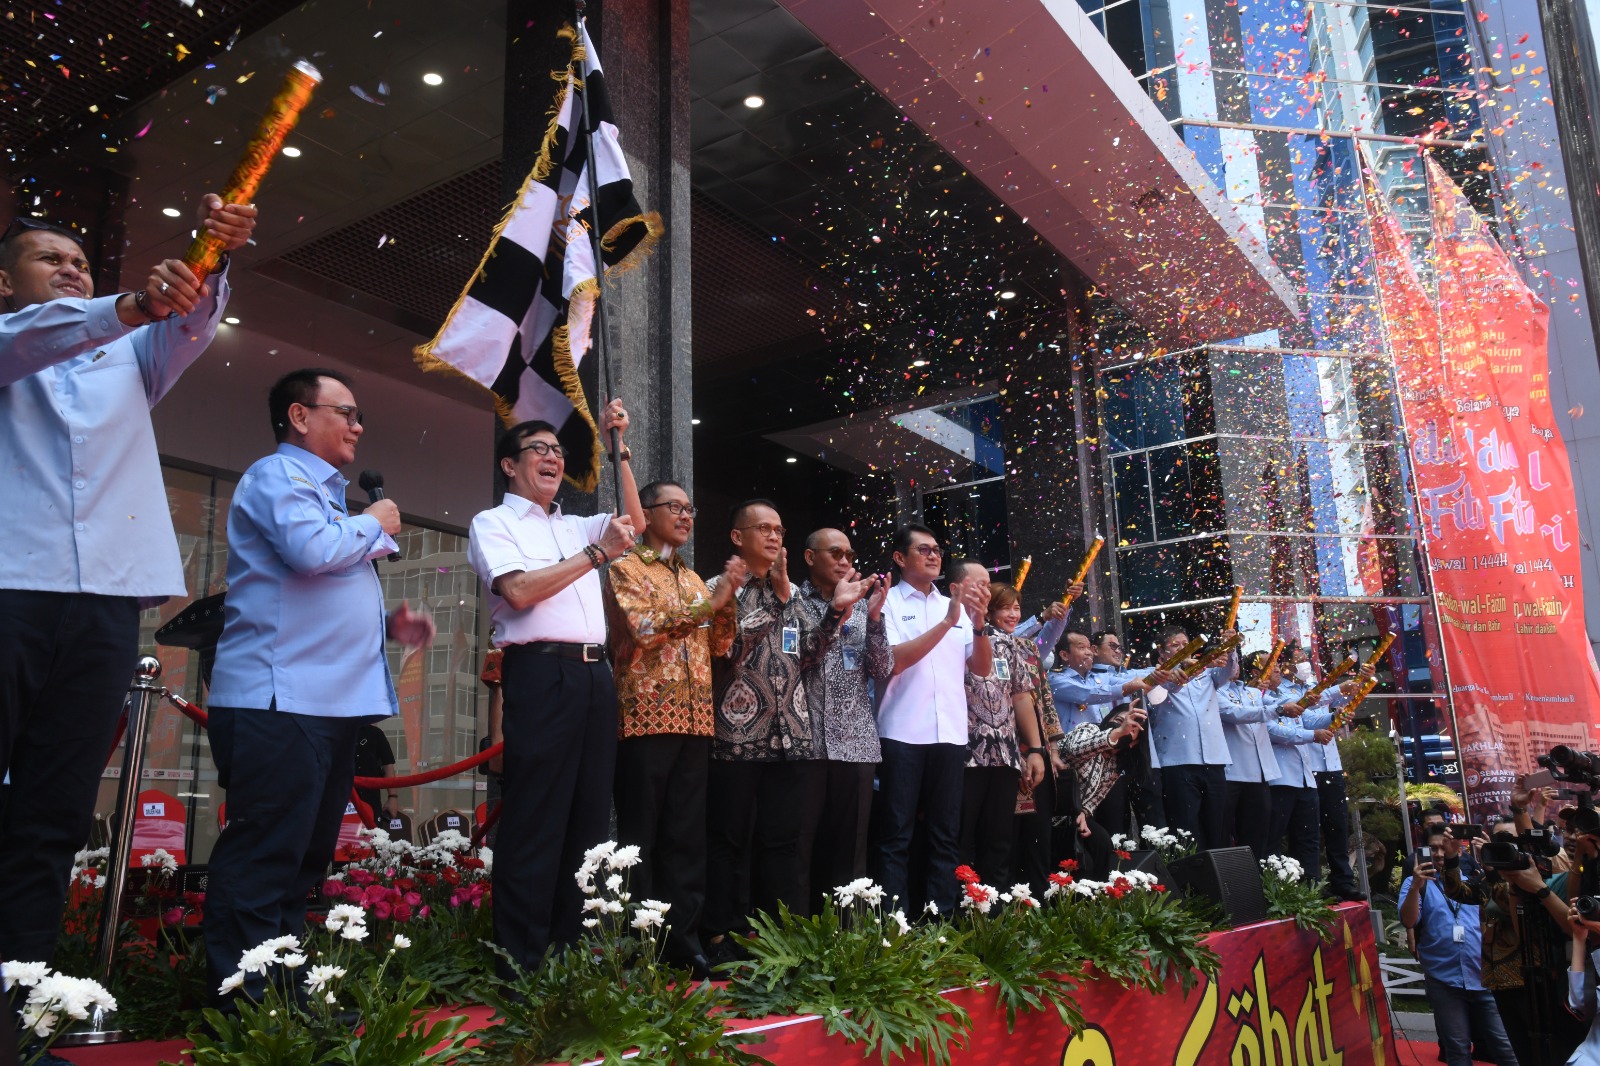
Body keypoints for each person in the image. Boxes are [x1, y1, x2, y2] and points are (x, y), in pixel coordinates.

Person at [0, 197, 255, 973]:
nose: (73, 268)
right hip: (10, 589)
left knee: (54, 810)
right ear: (5, 283)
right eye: (52, 259)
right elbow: (46, 336)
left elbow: (185, 324)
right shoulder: (13, 336)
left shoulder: (128, 354)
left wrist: (209, 253)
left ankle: (18, 1015)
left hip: (105, 601)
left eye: (80, 260)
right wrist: (133, 304)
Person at [205, 367, 436, 1002]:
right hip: (278, 701)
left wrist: (387, 623)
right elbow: (309, 553)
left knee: (303, 857)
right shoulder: (277, 475)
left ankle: (281, 991)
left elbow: (307, 596)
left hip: (325, 706)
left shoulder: (325, 496)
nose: (358, 426)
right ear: (300, 417)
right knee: (266, 852)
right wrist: (376, 521)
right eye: (347, 413)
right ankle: (243, 998)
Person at [466, 401, 642, 972]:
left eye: (558, 451)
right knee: (536, 815)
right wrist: (595, 555)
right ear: (508, 464)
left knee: (588, 818)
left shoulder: (570, 522)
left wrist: (619, 450)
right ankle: (518, 959)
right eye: (538, 449)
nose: (552, 457)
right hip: (541, 671)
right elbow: (518, 592)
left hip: (595, 675)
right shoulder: (493, 523)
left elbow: (634, 528)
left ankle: (568, 952)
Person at [703, 501, 870, 952]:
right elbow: (726, 652)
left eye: (779, 529)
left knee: (784, 842)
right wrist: (774, 604)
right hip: (737, 733)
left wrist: (835, 612)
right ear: (738, 537)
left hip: (791, 736)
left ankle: (779, 932)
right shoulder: (721, 588)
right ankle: (722, 930)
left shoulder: (794, 594)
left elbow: (810, 655)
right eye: (763, 528)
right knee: (729, 838)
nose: (775, 537)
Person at [603, 479, 740, 976]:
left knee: (687, 836)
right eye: (675, 507)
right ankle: (639, 944)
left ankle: (684, 943)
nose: (685, 516)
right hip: (644, 718)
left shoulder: (693, 579)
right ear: (650, 513)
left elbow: (719, 645)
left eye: (690, 509)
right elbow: (643, 627)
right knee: (642, 835)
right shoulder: (626, 568)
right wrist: (711, 602)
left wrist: (727, 601)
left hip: (696, 719)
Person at [876, 524, 991, 917]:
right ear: (899, 557)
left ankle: (941, 919)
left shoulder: (952, 604)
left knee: (945, 835)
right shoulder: (887, 602)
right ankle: (896, 922)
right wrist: (947, 623)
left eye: (938, 550)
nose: (933, 555)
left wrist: (976, 623)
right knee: (896, 834)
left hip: (951, 733)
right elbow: (893, 661)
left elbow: (980, 669)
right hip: (901, 730)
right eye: (923, 549)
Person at [795, 528, 891, 894]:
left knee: (851, 846)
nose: (845, 561)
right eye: (835, 553)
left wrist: (877, 619)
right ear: (809, 557)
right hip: (806, 742)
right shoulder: (793, 602)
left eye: (849, 555)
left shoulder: (865, 608)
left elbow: (882, 669)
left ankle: (848, 936)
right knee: (802, 842)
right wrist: (835, 613)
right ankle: (799, 934)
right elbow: (800, 661)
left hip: (856, 742)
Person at [1400, 826, 1519, 1066]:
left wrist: (1491, 867)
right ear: (1422, 851)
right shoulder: (1416, 884)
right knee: (1457, 1049)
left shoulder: (1471, 883)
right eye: (1433, 848)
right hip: (1444, 979)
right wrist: (1415, 886)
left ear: (1459, 850)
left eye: (1444, 848)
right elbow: (1409, 920)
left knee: (1505, 1046)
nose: (1439, 854)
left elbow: (1501, 910)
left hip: (1482, 975)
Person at [958, 572, 1047, 886]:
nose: (1014, 614)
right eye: (1006, 608)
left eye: (1017, 608)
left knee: (1000, 839)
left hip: (1006, 754)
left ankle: (996, 913)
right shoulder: (960, 634)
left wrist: (1034, 750)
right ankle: (958, 910)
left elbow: (1022, 696)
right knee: (960, 837)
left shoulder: (1013, 645)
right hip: (965, 753)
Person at [1279, 646, 1363, 899]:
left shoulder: (1315, 684)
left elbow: (1344, 702)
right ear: (1286, 666)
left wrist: (1357, 686)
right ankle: (1310, 883)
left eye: (1305, 659)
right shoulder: (1282, 692)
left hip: (1332, 766)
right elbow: (1304, 720)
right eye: (1298, 660)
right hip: (1307, 768)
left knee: (1337, 825)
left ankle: (1343, 881)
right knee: (1309, 830)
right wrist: (1331, 710)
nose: (1304, 664)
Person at [1145, 626, 1237, 852]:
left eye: (1186, 644)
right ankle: (1190, 883)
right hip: (1178, 761)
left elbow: (1228, 671)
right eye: (1175, 645)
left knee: (1217, 824)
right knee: (1186, 828)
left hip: (1214, 760)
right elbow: (1161, 695)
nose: (1183, 648)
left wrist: (1231, 647)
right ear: (1162, 654)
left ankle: (1218, 879)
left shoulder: (1208, 674)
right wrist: (1183, 671)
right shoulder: (1157, 675)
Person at [1259, 653, 1336, 875]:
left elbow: (1307, 720)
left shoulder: (1285, 695)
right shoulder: (1257, 698)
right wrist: (1312, 736)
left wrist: (1333, 716)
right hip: (1279, 780)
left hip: (1305, 779)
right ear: (1256, 672)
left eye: (1276, 665)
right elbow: (1274, 732)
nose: (1276, 669)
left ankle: (1310, 892)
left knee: (1309, 839)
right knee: (1274, 840)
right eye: (1269, 665)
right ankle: (1275, 892)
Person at [1092, 630, 1166, 831]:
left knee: (1154, 821)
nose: (1118, 651)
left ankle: (1159, 860)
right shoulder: (1089, 680)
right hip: (1110, 754)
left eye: (1120, 647)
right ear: (1095, 650)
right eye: (1112, 646)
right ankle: (1120, 862)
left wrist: (1166, 671)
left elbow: (1159, 687)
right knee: (1116, 823)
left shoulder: (1132, 674)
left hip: (1139, 753)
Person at [1217, 663, 1281, 859]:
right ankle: (1227, 881)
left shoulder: (1253, 692)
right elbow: (1235, 714)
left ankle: (1255, 883)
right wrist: (1279, 710)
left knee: (1258, 834)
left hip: (1260, 773)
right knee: (1223, 834)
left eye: (1234, 662)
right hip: (1230, 773)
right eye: (1226, 662)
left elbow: (1283, 700)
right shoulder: (1214, 691)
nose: (1232, 666)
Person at [354, 723, 400, 820]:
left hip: (370, 798)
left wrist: (392, 797)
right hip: (341, 800)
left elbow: (388, 765)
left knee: (374, 831)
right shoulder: (333, 733)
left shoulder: (375, 733)